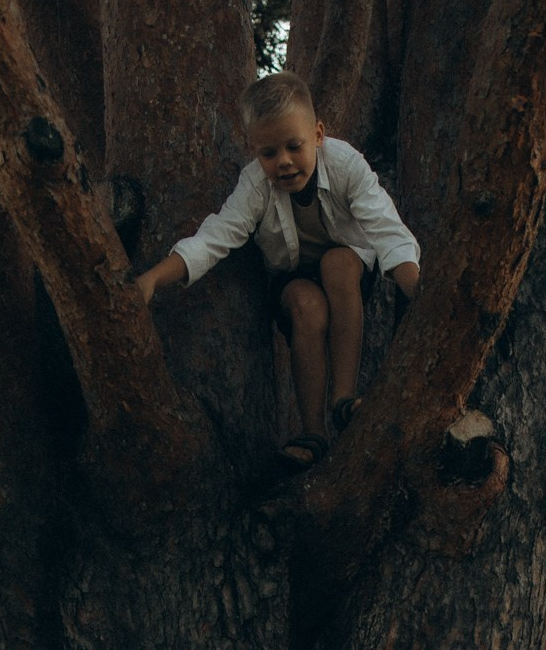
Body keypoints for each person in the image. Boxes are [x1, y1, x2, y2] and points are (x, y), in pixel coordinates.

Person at [136, 71, 420, 471]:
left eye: (294, 146)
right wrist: (152, 278)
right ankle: (313, 432)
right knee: (306, 304)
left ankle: (343, 399)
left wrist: (416, 287)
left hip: (348, 269)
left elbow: (386, 227)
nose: (283, 161)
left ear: (318, 135)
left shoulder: (345, 164)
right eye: (268, 153)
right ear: (255, 151)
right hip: (295, 279)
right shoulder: (255, 185)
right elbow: (215, 236)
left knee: (336, 263)